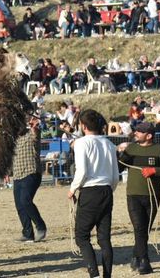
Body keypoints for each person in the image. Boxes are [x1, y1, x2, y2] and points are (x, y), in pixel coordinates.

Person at [118, 122, 160, 274]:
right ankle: (145, 261)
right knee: (139, 227)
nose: (136, 133)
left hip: (152, 196)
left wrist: (154, 170)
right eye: (136, 131)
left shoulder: (159, 150)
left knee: (145, 229)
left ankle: (135, 256)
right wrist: (115, 154)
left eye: (140, 131)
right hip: (133, 195)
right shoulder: (131, 149)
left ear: (149, 135)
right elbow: (118, 167)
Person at [68, 109, 119, 278]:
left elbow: (81, 171)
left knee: (81, 236)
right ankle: (107, 275)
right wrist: (108, 190)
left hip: (90, 191)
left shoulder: (82, 143)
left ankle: (94, 274)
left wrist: (72, 188)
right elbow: (115, 176)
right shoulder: (109, 144)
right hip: (107, 190)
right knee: (104, 238)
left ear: (83, 126)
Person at [12, 115, 47, 243]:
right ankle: (27, 233)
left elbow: (36, 132)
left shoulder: (32, 135)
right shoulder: (14, 141)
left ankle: (41, 226)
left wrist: (34, 126)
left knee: (25, 200)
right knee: (20, 205)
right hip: (17, 175)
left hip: (31, 173)